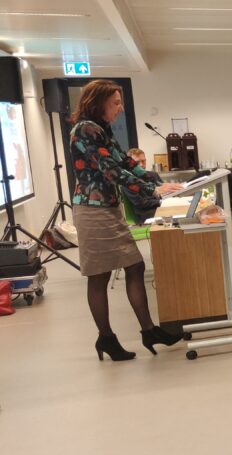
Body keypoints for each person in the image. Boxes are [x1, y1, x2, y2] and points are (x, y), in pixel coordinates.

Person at [68, 79, 184, 361]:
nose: (120, 108)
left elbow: (124, 161)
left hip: (106, 208)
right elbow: (111, 171)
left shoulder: (100, 128)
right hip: (92, 211)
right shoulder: (85, 130)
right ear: (98, 102)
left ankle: (147, 331)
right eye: (116, 103)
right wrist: (151, 189)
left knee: (133, 266)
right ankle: (108, 337)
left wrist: (158, 179)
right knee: (100, 275)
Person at [122, 148, 163, 221]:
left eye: (143, 161)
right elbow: (140, 203)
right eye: (137, 163)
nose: (141, 165)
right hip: (145, 213)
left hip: (161, 207)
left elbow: (164, 191)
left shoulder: (153, 175)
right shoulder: (127, 181)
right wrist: (160, 201)